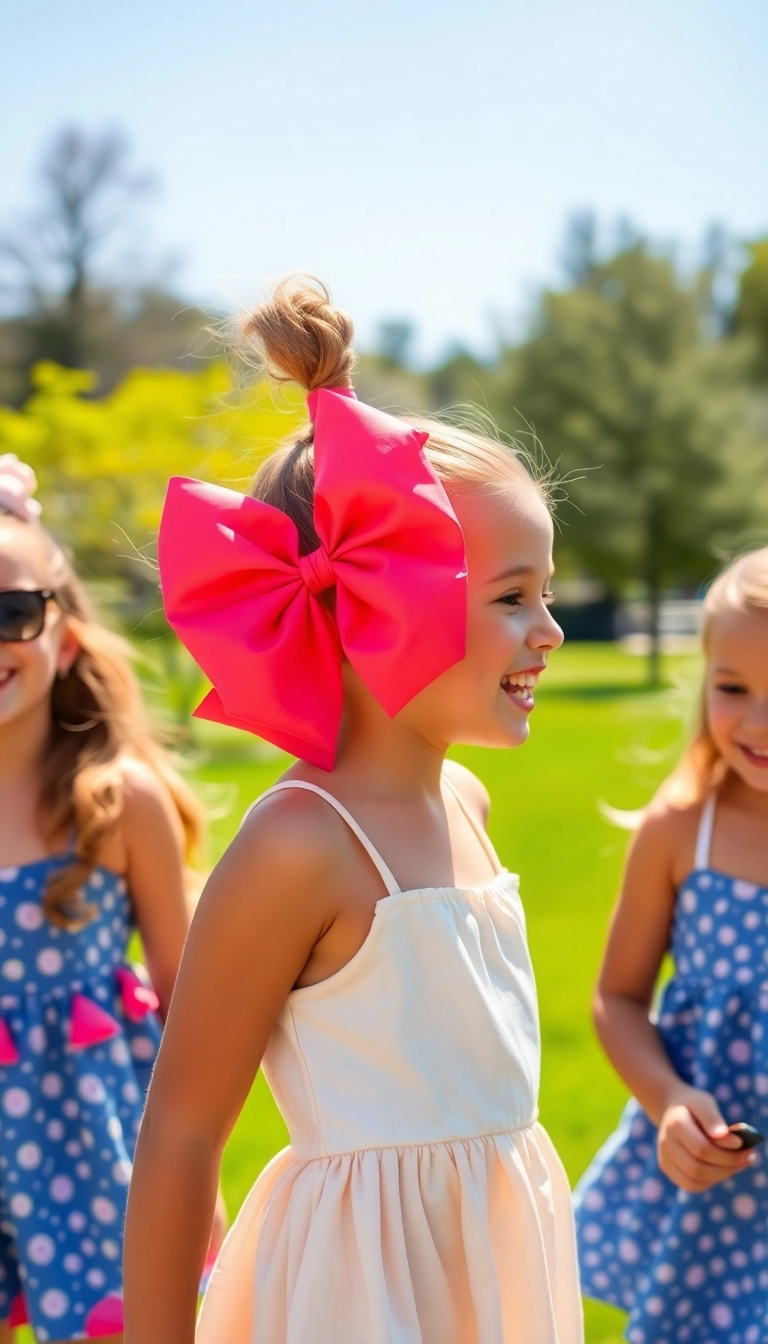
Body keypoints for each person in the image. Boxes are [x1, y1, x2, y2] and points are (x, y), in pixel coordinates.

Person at [123, 275, 583, 1344]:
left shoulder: (464, 801)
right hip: (362, 1298)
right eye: (514, 597)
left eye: (547, 592)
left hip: (490, 1274)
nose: (550, 630)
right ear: (382, 609)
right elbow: (184, 1133)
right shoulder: (303, 844)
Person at [0, 455, 219, 1344]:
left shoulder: (119, 802)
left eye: (10, 613)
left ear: (67, 634)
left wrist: (196, 1176)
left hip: (89, 1148)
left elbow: (190, 1003)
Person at [574, 547, 768, 1344]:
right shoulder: (680, 829)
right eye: (732, 690)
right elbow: (615, 997)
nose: (755, 723)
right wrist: (668, 1099)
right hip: (713, 1201)